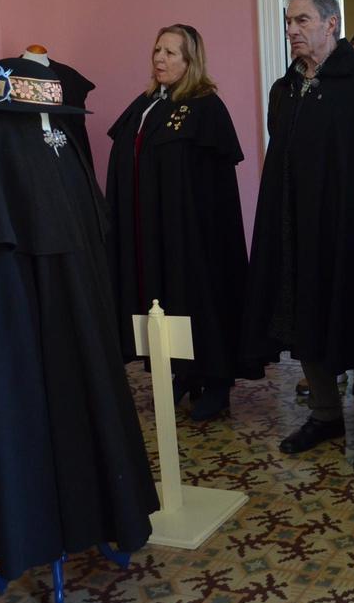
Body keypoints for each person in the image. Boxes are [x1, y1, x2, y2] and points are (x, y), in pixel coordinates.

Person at [0, 57, 159, 582]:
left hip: (75, 309)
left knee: (85, 401)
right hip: (17, 318)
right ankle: (32, 533)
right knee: (26, 419)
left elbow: (85, 225)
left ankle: (95, 518)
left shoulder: (58, 133)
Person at [242, 0, 354, 473]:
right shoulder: (287, 86)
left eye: (302, 20)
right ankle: (325, 413)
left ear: (331, 23)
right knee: (305, 313)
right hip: (298, 226)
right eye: (288, 21)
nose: (291, 30)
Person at [105, 24, 249, 422]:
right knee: (164, 297)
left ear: (190, 60)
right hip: (153, 229)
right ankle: (184, 372)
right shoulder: (147, 102)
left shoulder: (205, 107)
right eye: (157, 50)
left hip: (194, 233)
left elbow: (214, 182)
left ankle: (216, 381)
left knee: (199, 299)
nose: (159, 59)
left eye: (170, 53)